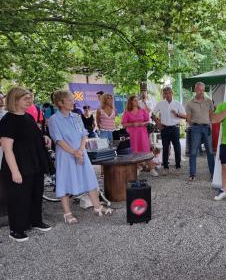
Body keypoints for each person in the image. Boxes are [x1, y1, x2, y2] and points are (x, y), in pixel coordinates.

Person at [48, 90, 113, 224]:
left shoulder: (77, 117)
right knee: (65, 182)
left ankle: (97, 206)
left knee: (89, 178)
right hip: (66, 156)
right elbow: (58, 140)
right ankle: (67, 213)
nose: (74, 102)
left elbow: (84, 134)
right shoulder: (54, 120)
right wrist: (74, 152)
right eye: (70, 100)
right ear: (60, 103)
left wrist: (81, 150)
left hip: (81, 153)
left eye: (73, 99)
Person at [0, 86, 52, 242]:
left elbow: (33, 136)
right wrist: (15, 171)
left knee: (36, 193)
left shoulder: (28, 117)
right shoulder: (7, 120)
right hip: (19, 165)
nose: (30, 100)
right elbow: (7, 149)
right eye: (26, 98)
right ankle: (16, 229)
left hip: (34, 162)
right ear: (15, 100)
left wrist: (44, 138)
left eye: (30, 97)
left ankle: (35, 221)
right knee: (18, 198)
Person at [152, 86, 186, 175]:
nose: (167, 95)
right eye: (165, 93)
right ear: (163, 94)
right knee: (165, 148)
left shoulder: (177, 103)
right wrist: (158, 123)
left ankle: (178, 166)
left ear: (172, 93)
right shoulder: (161, 103)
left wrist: (177, 114)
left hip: (175, 128)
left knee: (177, 148)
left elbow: (185, 115)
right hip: (164, 128)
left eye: (169, 93)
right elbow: (152, 114)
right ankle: (166, 167)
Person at [122, 95, 158, 177]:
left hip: (142, 134)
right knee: (134, 151)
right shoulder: (127, 112)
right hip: (132, 134)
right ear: (130, 102)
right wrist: (132, 124)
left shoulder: (142, 111)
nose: (136, 101)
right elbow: (123, 124)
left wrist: (141, 123)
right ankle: (137, 168)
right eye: (134, 100)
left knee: (146, 151)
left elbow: (147, 121)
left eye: (136, 100)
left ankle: (151, 169)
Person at [185, 82, 215, 181]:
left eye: (203, 90)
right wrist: (193, 126)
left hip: (207, 128)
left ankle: (213, 174)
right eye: (199, 90)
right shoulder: (190, 103)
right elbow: (188, 118)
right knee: (193, 152)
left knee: (210, 152)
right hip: (195, 128)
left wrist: (210, 125)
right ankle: (192, 174)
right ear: (195, 90)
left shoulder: (209, 102)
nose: (201, 92)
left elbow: (212, 115)